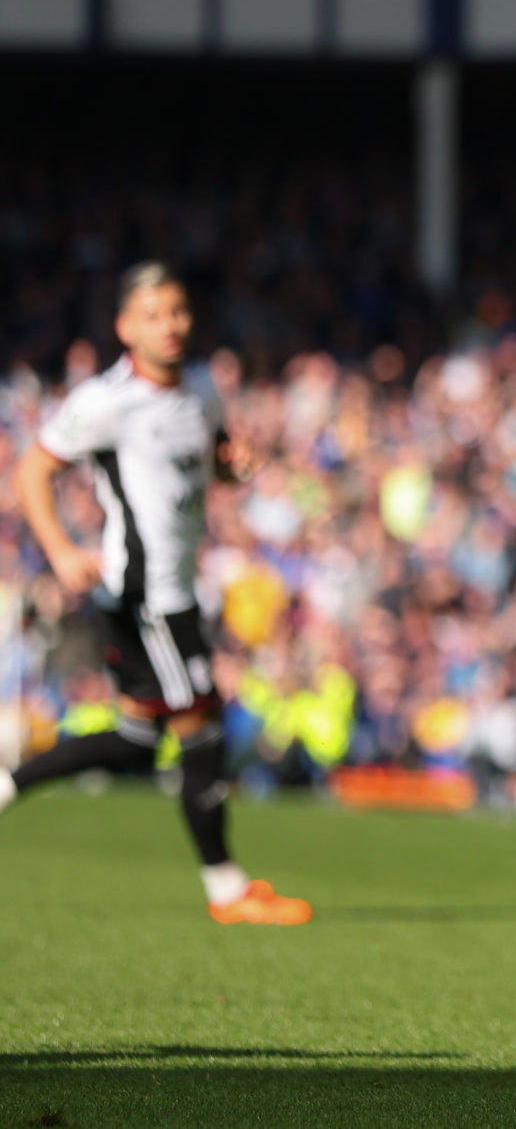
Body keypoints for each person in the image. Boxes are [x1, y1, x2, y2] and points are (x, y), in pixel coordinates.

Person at [2, 262, 311, 926]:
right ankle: (228, 890)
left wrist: (234, 466)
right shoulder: (106, 401)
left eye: (177, 312)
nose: (169, 326)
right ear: (124, 326)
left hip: (176, 590)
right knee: (202, 725)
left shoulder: (200, 386)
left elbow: (213, 465)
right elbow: (32, 467)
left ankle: (4, 785)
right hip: (146, 595)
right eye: (153, 315)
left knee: (138, 740)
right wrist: (59, 548)